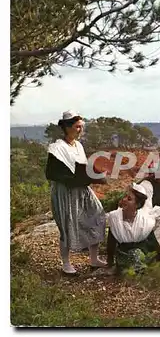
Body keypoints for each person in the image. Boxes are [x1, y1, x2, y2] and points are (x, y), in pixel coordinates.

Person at [45, 110, 107, 274]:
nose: (80, 130)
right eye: (77, 127)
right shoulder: (57, 148)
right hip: (65, 191)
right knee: (67, 225)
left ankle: (94, 258)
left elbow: (83, 167)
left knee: (97, 215)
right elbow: (51, 173)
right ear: (67, 127)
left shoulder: (78, 146)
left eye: (81, 127)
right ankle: (66, 263)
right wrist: (73, 178)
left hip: (82, 189)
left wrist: (94, 175)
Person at [106, 184, 160, 274]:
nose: (124, 200)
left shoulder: (144, 220)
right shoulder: (115, 217)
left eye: (129, 199)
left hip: (142, 251)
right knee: (133, 257)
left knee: (139, 255)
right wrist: (110, 261)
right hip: (124, 254)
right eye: (125, 197)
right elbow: (111, 240)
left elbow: (152, 240)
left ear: (137, 205)